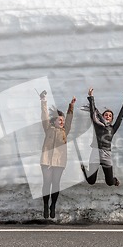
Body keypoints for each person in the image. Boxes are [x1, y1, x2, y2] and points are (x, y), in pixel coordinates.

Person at [81, 88, 123, 186]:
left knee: (110, 182)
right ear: (102, 116)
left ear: (111, 119)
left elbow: (120, 118)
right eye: (106, 115)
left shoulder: (113, 128)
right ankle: (83, 168)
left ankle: (115, 181)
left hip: (106, 155)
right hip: (95, 153)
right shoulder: (97, 124)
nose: (107, 116)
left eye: (110, 116)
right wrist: (91, 97)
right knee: (91, 181)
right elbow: (93, 112)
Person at [40, 90, 76, 220]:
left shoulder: (65, 131)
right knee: (47, 182)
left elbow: (70, 119)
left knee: (56, 183)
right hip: (46, 160)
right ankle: (45, 204)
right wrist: (43, 101)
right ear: (54, 121)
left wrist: (71, 106)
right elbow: (44, 116)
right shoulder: (48, 128)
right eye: (59, 120)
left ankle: (53, 205)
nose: (62, 121)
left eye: (63, 120)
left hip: (59, 161)